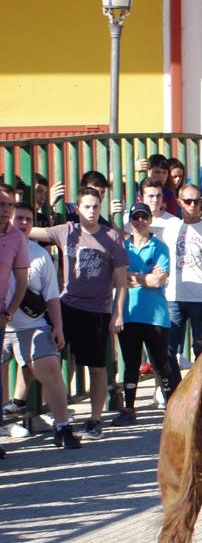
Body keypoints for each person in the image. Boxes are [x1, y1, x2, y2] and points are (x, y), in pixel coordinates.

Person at [31, 188, 128, 440]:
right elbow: (29, 230)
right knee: (62, 360)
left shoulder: (111, 237)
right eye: (87, 207)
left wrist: (117, 314)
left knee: (96, 366)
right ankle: (56, 415)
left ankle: (95, 419)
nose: (92, 211)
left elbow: (121, 281)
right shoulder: (67, 230)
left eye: (96, 206)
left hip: (97, 310)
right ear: (77, 208)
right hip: (67, 306)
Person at [3, 203, 78, 449]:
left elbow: (52, 296)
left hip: (30, 325)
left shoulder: (40, 254)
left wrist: (58, 327)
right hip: (2, 326)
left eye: (28, 219)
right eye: (19, 218)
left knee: (51, 368)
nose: (23, 223)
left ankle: (62, 427)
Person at [116, 202, 173, 425]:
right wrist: (145, 277)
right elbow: (117, 277)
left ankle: (172, 407)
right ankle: (129, 409)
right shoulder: (122, 247)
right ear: (130, 221)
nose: (140, 222)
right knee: (130, 365)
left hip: (156, 316)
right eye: (135, 218)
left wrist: (134, 277)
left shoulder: (159, 246)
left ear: (150, 220)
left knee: (161, 364)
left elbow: (159, 279)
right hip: (128, 313)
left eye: (144, 217)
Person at [163, 183, 202, 381]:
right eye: (187, 201)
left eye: (196, 201)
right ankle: (175, 391)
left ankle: (198, 389)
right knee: (169, 349)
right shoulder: (170, 227)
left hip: (200, 297)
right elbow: (137, 228)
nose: (192, 205)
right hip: (173, 296)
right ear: (179, 202)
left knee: (201, 349)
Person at [0, 189, 31, 457]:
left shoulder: (16, 239)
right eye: (1, 204)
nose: (4, 209)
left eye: (8, 205)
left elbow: (21, 281)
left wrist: (8, 312)